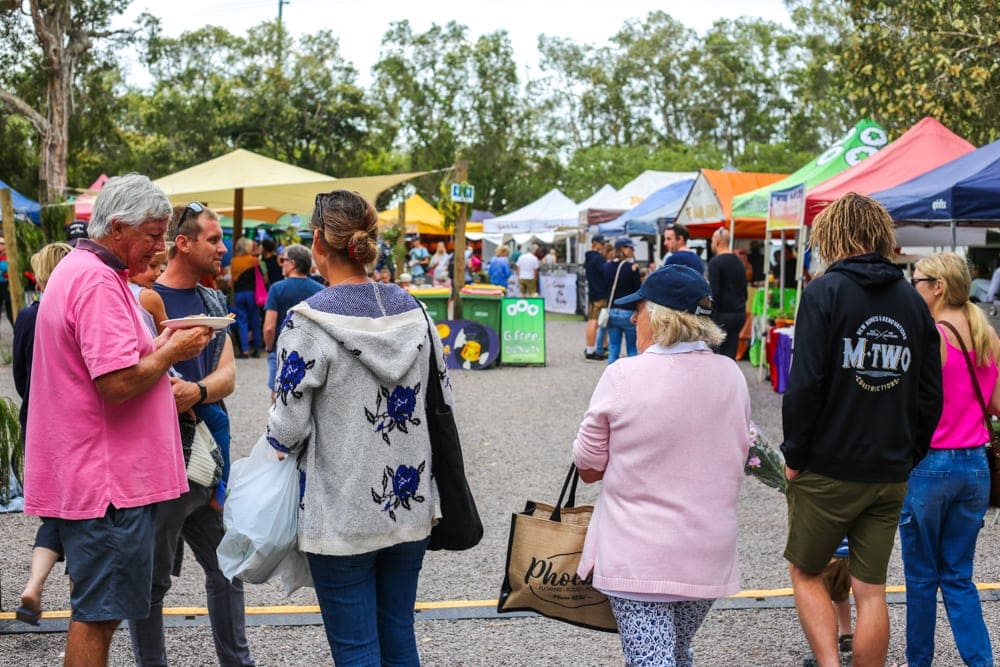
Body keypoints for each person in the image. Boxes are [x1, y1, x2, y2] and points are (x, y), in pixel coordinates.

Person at [23, 173, 213, 667]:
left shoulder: (79, 270)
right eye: (152, 234)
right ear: (119, 228)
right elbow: (116, 384)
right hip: (109, 483)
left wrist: (157, 346)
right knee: (99, 615)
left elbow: (106, 369)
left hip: (95, 474)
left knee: (98, 609)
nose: (159, 246)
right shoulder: (99, 282)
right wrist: (173, 350)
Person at [265, 190, 444, 665]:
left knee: (356, 648)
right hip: (411, 504)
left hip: (341, 510)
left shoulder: (307, 324)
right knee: (399, 635)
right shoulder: (418, 314)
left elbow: (287, 426)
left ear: (318, 241)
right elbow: (440, 395)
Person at [780, 193, 943, 667]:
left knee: (806, 571)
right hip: (889, 469)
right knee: (871, 590)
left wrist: (794, 455)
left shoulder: (823, 293)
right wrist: (910, 453)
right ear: (880, 235)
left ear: (833, 236)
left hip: (828, 466)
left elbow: (805, 384)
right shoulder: (912, 301)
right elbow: (930, 393)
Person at [573, 264, 752, 667]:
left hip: (639, 555)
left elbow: (587, 465)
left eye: (637, 310)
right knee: (672, 652)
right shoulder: (731, 375)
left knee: (653, 660)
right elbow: (740, 448)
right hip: (707, 552)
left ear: (658, 317)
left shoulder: (623, 376)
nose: (632, 318)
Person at [129, 202, 255, 667]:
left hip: (208, 461)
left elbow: (228, 379)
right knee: (153, 579)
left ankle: (237, 661)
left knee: (228, 567)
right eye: (214, 240)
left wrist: (197, 389)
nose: (224, 249)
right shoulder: (144, 299)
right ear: (184, 243)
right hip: (161, 461)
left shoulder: (213, 302)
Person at [899, 252, 996, 667]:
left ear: (937, 286)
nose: (910, 286)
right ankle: (981, 662)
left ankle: (919, 662)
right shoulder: (985, 334)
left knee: (921, 578)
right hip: (975, 466)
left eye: (915, 279)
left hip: (929, 465)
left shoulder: (929, 337)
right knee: (958, 576)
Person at [13, 242, 73, 626]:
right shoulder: (73, 312)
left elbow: (19, 373)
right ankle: (79, 596)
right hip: (75, 420)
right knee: (86, 510)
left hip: (36, 418)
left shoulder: (28, 315)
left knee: (54, 508)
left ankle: (35, 583)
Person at [263, 243, 324, 400]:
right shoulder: (320, 290)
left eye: (283, 260)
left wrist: (270, 347)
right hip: (310, 349)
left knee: (278, 394)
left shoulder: (277, 288)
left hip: (281, 349)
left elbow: (269, 326)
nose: (281, 263)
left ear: (293, 263)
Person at [707, 228, 747, 359]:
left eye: (712, 240)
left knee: (715, 355)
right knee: (730, 356)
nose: (711, 243)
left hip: (721, 315)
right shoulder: (739, 262)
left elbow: (714, 293)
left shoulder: (715, 263)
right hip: (739, 315)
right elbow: (745, 292)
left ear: (717, 241)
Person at [604, 237, 641, 364]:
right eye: (630, 247)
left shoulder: (607, 266)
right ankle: (632, 380)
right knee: (632, 349)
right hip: (629, 312)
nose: (633, 250)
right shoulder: (632, 268)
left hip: (612, 310)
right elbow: (638, 291)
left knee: (613, 348)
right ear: (622, 249)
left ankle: (610, 376)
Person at [230, 237, 263, 358]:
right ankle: (257, 349)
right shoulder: (254, 260)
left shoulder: (234, 261)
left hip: (238, 294)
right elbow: (262, 278)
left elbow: (233, 280)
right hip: (252, 294)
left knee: (242, 322)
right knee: (255, 321)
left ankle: (244, 351)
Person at [584, 235, 609, 361]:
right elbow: (606, 273)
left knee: (592, 321)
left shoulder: (588, 258)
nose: (603, 245)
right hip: (600, 294)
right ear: (595, 243)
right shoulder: (598, 259)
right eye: (601, 243)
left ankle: (596, 347)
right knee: (596, 322)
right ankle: (591, 349)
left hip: (593, 292)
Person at [0, 235, 11, 325]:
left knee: (10, 311)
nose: (0, 245)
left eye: (2, 243)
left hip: (7, 285)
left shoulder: (10, 256)